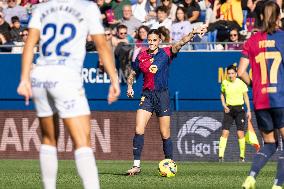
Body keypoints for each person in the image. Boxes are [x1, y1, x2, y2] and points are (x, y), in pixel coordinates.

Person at [16, 1, 120, 189]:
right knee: (82, 142)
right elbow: (102, 45)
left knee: (49, 140)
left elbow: (29, 44)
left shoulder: (41, 8)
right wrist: (114, 79)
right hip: (65, 75)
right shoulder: (87, 7)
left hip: (39, 75)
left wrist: (24, 79)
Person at [126, 25, 207, 175]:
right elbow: (132, 73)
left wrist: (193, 33)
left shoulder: (166, 53)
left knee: (165, 133)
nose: (151, 42)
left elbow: (181, 42)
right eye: (149, 40)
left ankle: (169, 163)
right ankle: (136, 166)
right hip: (147, 95)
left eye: (154, 40)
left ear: (159, 41)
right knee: (138, 129)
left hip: (162, 96)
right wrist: (129, 86)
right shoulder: (141, 56)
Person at [237, 1, 284, 189]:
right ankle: (278, 185)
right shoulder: (282, 38)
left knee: (270, 144)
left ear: (261, 17)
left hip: (260, 99)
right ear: (279, 16)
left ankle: (251, 177)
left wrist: (255, 84)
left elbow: (240, 72)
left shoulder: (252, 41)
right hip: (280, 97)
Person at [218, 64, 251, 162]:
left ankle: (242, 157)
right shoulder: (224, 83)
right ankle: (220, 157)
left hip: (239, 110)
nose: (231, 75)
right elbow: (222, 95)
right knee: (225, 132)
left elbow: (246, 97)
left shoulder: (241, 83)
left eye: (232, 73)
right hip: (229, 110)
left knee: (240, 133)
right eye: (229, 73)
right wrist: (224, 106)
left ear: (236, 74)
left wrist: (249, 109)